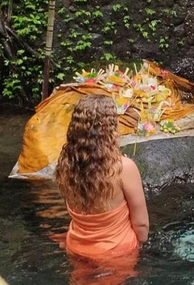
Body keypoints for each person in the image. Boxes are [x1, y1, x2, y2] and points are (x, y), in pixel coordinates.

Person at [55, 94, 149, 263]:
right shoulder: (123, 168)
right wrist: (140, 249)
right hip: (116, 253)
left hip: (76, 247)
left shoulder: (65, 164)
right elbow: (141, 224)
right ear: (110, 127)